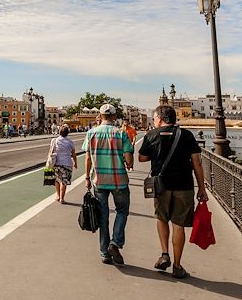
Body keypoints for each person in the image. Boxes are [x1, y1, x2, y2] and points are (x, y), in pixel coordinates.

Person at [138, 105, 208, 279]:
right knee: (178, 225)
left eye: (154, 119)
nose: (153, 122)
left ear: (160, 119)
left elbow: (142, 157)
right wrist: (202, 188)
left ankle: (164, 254)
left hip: (161, 186)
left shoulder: (151, 135)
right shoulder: (186, 135)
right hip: (184, 186)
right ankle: (177, 266)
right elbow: (197, 163)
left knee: (161, 218)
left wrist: (156, 153)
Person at [83, 104, 134, 265]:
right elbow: (129, 160)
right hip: (119, 181)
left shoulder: (91, 133)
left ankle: (105, 253)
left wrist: (86, 177)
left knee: (103, 216)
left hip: (99, 181)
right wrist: (128, 163)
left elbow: (88, 158)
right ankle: (115, 242)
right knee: (122, 211)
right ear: (113, 117)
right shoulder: (121, 134)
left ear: (100, 115)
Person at [48, 124, 77, 204]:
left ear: (59, 132)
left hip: (56, 163)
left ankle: (57, 195)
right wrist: (75, 163)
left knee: (57, 180)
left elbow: (50, 151)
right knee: (64, 182)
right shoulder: (70, 142)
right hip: (67, 164)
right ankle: (62, 198)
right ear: (68, 133)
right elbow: (74, 154)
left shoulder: (54, 140)